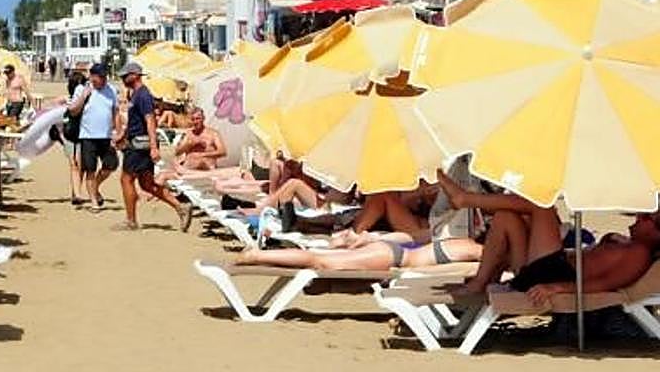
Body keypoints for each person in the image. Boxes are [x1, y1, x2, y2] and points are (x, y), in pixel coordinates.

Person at [436, 170, 660, 301]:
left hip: (554, 275)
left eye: (646, 218)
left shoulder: (638, 253)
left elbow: (604, 283)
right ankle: (480, 281)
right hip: (546, 269)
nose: (638, 217)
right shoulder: (631, 246)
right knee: (506, 218)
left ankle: (465, 199)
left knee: (542, 206)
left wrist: (556, 288)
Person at [114, 61, 192, 232]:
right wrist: (123, 135)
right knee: (147, 183)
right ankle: (181, 207)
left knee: (126, 179)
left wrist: (154, 147)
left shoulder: (143, 95)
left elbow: (150, 121)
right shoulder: (136, 95)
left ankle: (131, 220)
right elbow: (137, 121)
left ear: (134, 75)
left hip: (140, 145)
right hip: (138, 142)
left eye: (125, 76)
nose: (123, 79)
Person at [236, 229, 482, 270]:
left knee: (322, 261)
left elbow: (414, 235)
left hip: (393, 251)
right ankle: (256, 255)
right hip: (394, 257)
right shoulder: (472, 248)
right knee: (319, 261)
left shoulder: (460, 239)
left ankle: (259, 255)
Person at [67, 63, 119, 208]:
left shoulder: (112, 90)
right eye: (100, 77)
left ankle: (95, 187)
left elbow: (115, 112)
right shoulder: (81, 89)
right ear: (92, 76)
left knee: (111, 165)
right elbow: (73, 111)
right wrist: (84, 96)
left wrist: (118, 132)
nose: (103, 80)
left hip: (106, 136)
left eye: (104, 77)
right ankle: (94, 202)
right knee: (90, 169)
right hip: (88, 136)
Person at [156, 107, 226, 185]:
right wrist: (188, 145)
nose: (195, 121)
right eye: (193, 119)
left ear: (203, 119)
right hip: (187, 169)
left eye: (198, 118)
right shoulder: (189, 134)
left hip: (205, 170)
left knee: (199, 161)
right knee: (161, 176)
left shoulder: (213, 134)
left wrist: (202, 155)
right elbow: (176, 152)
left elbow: (223, 152)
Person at [62, 70, 87, 205]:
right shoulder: (76, 97)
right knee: (76, 163)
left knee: (75, 164)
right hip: (75, 132)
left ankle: (76, 192)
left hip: (71, 132)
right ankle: (77, 193)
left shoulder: (80, 96)